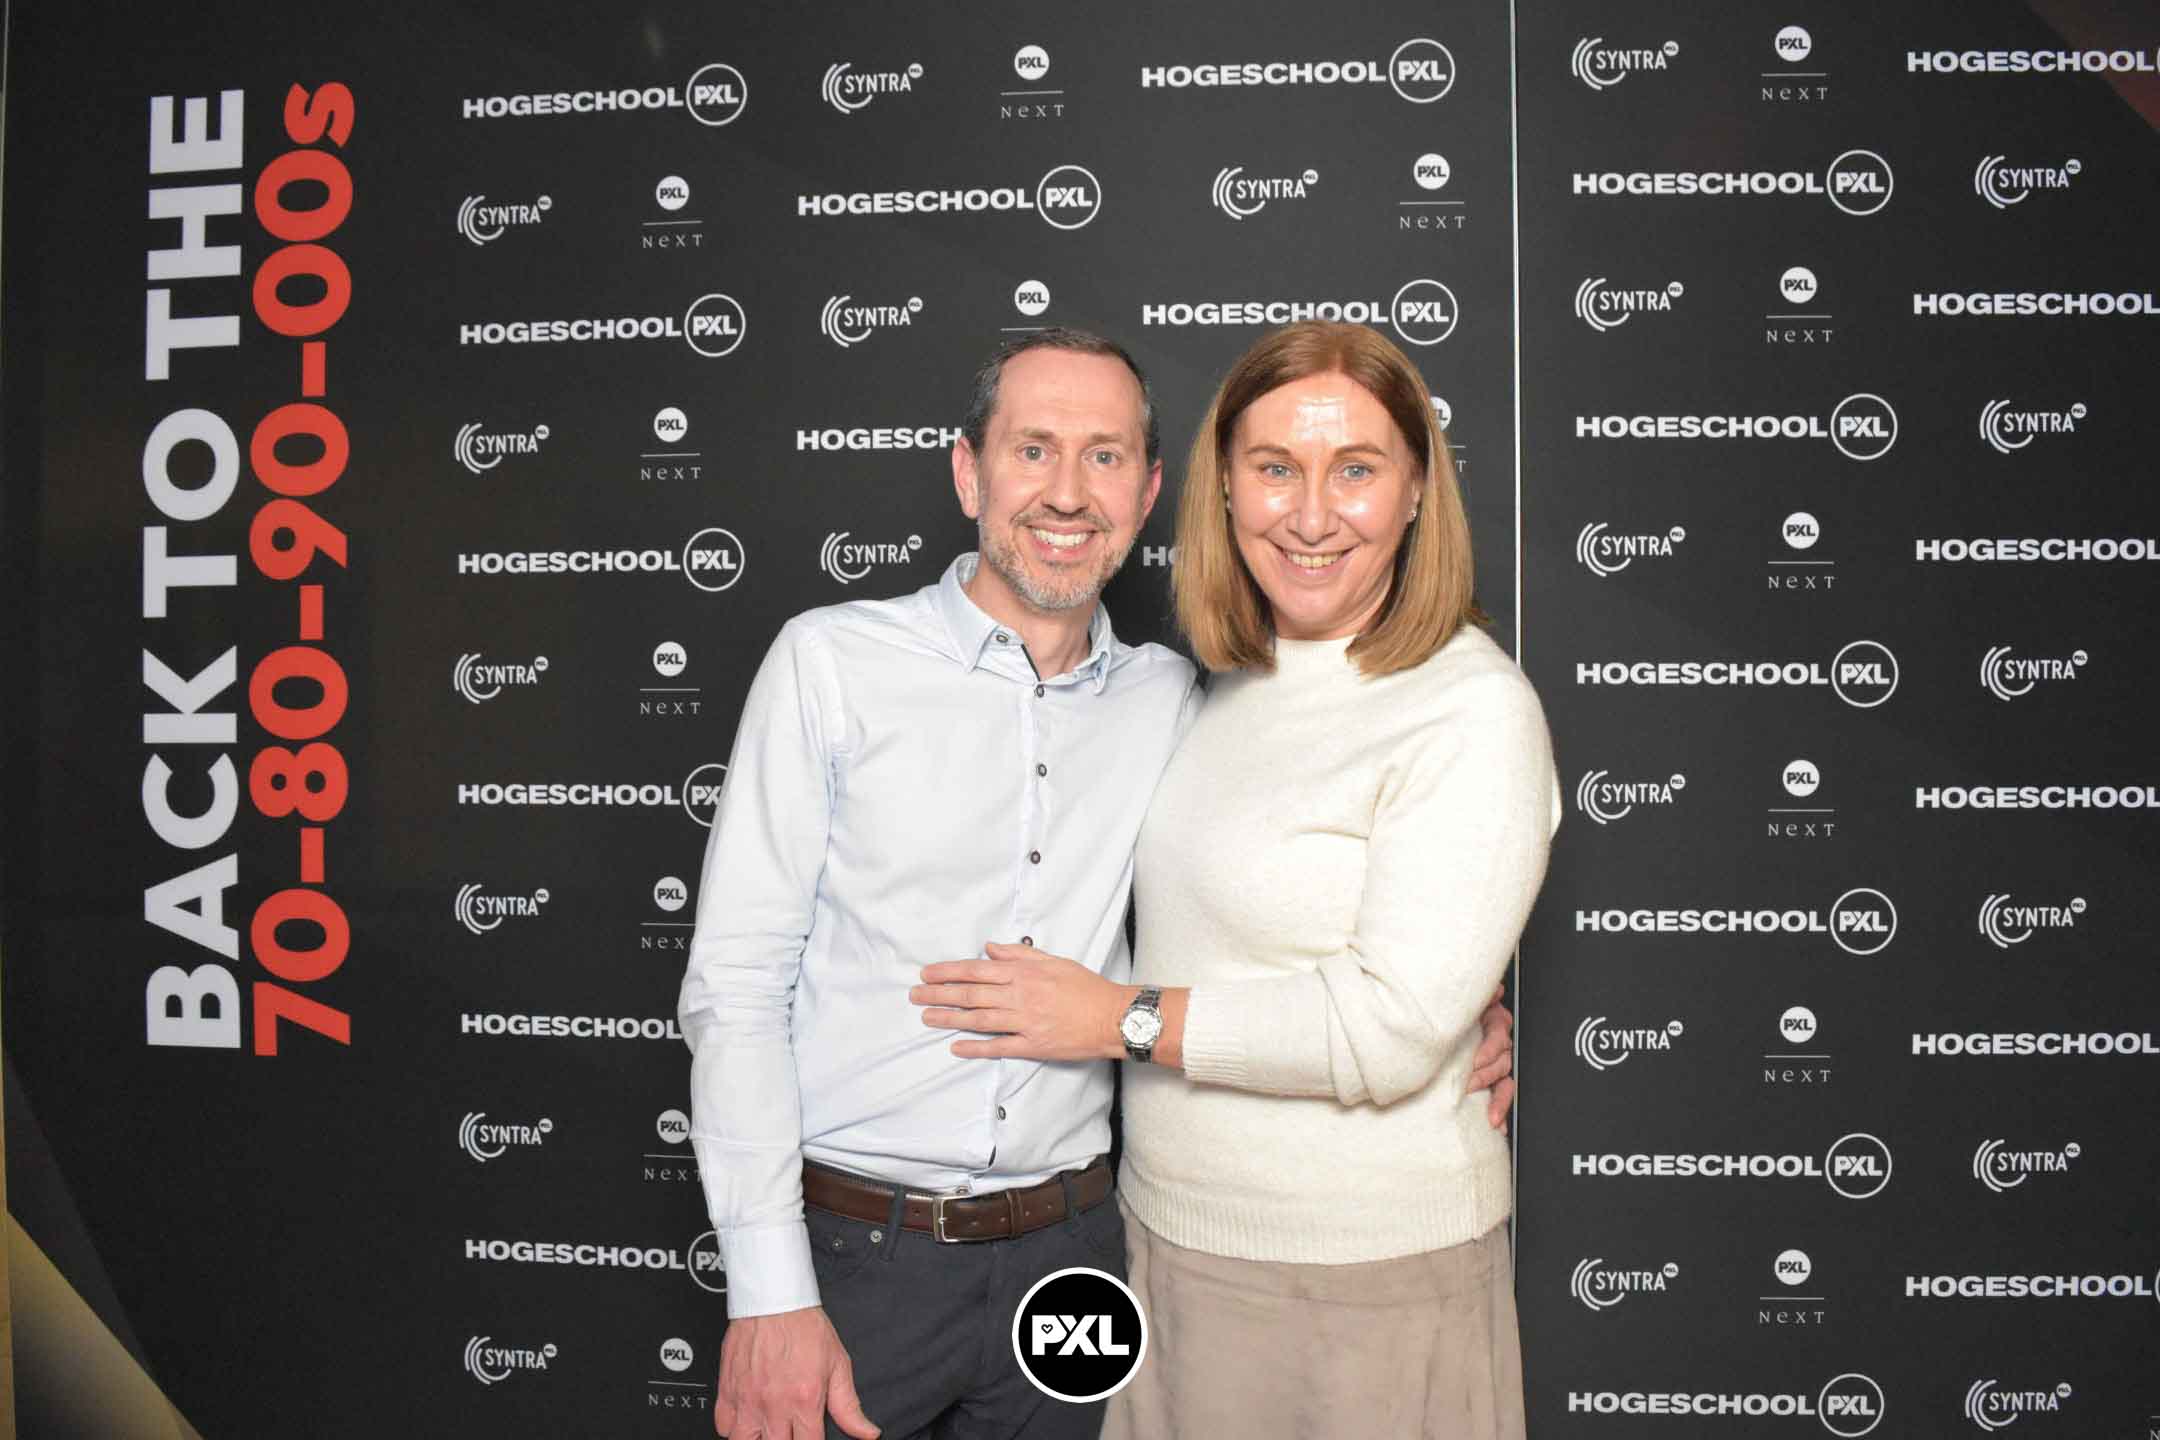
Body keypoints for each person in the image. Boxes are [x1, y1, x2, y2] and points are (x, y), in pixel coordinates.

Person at [679, 327, 1517, 1440]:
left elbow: (1342, 925)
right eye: (1033, 450)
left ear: (1151, 492)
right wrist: (768, 1288)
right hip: (857, 1259)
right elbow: (736, 985)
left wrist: (1449, 1006)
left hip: (1076, 1264)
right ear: (969, 473)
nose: (1068, 493)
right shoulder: (831, 666)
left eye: (1106, 457)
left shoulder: (1174, 697)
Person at [913, 321, 1557, 1440]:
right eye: (1274, 469)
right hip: (1165, 1247)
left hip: (1363, 1273)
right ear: (1222, 488)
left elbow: (1389, 1030)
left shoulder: (1470, 707)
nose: (1310, 516)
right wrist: (1456, 1003)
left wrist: (1117, 1018)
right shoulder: (1221, 683)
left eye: (1355, 470)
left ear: (1416, 492)